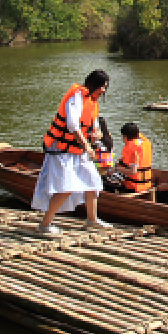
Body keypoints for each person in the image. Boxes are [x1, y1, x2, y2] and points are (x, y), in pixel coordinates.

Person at [33, 69, 111, 235]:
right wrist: (88, 147)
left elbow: (94, 127)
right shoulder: (76, 96)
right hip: (61, 149)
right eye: (101, 86)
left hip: (78, 149)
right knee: (66, 187)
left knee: (93, 181)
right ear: (92, 84)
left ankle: (92, 220)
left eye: (105, 87)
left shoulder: (93, 102)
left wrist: (96, 136)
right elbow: (73, 126)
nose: (103, 90)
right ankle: (44, 225)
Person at [112, 122, 153, 192]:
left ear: (125, 137)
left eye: (122, 137)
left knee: (105, 182)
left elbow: (133, 171)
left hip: (133, 186)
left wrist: (116, 168)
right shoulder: (146, 143)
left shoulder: (133, 149)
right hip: (147, 184)